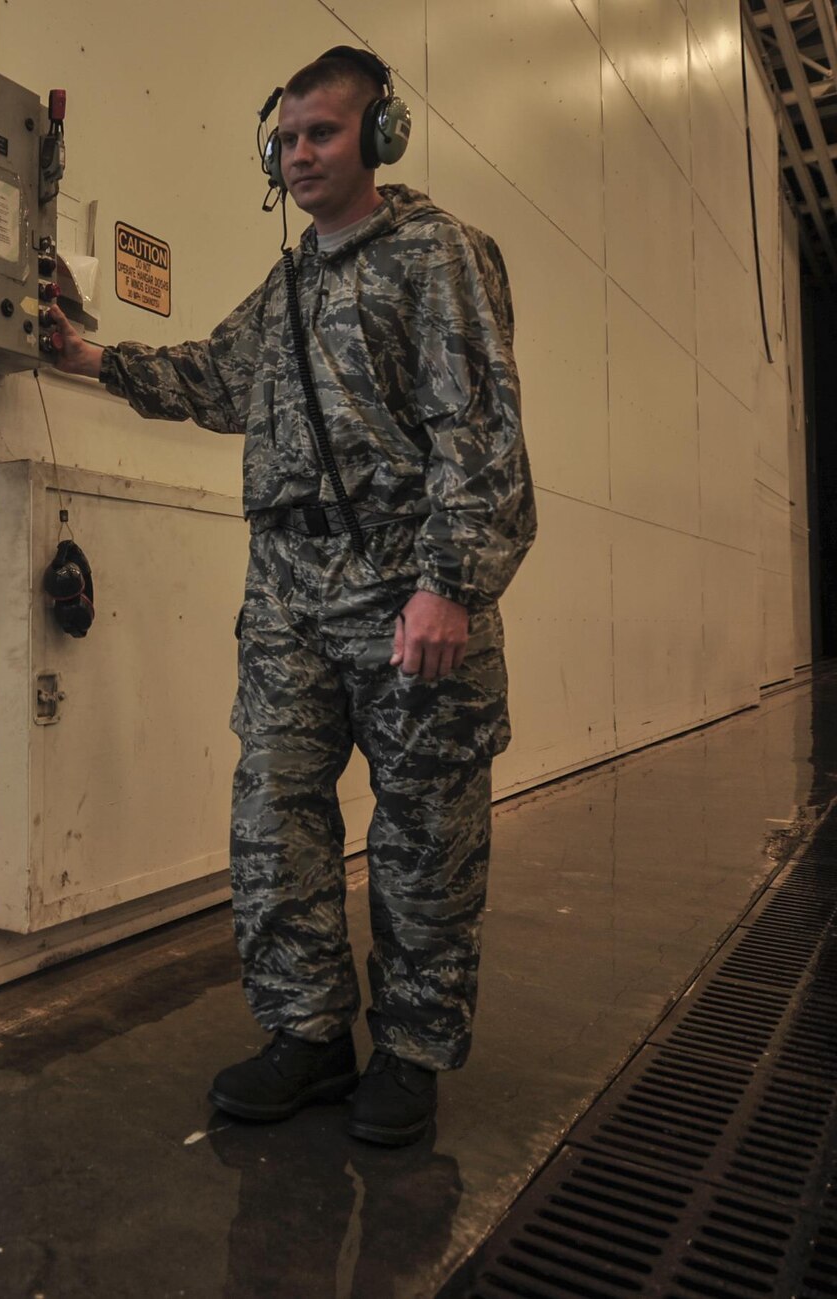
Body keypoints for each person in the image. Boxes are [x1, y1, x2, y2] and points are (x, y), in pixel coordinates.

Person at [44, 46, 535, 1145]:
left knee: (423, 837)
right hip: (289, 602)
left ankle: (409, 1053)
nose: (299, 153)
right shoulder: (288, 287)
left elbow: (480, 429)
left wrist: (448, 586)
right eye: (286, 137)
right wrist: (83, 354)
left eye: (321, 132)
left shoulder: (435, 255)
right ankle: (308, 1033)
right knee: (273, 819)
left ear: (378, 136)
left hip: (411, 592)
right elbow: (212, 380)